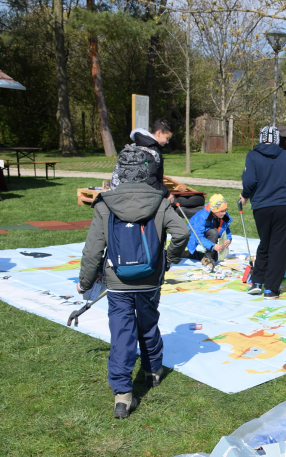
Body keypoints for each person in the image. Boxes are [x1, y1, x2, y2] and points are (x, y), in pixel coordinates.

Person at [77, 147, 189, 419]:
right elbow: (182, 232)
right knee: (148, 322)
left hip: (117, 282)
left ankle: (122, 395)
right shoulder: (160, 201)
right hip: (150, 279)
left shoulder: (105, 203)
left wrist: (84, 282)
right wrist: (168, 260)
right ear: (145, 171)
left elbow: (93, 250)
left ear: (119, 172)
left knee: (121, 333)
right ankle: (152, 372)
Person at [240, 126, 286, 299]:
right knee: (278, 247)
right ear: (276, 140)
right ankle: (271, 289)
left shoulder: (252, 155)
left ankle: (257, 281)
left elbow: (250, 181)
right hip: (284, 206)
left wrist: (245, 195)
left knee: (265, 242)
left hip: (261, 206)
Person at [129, 119, 174, 200]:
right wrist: (167, 194)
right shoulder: (150, 151)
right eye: (167, 138)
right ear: (159, 133)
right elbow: (150, 180)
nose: (167, 141)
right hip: (142, 198)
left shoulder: (138, 146)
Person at [187, 193, 232, 267]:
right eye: (221, 211)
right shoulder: (202, 217)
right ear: (214, 210)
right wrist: (213, 246)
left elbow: (226, 227)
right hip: (193, 235)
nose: (224, 213)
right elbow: (198, 237)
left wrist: (229, 239)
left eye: (225, 210)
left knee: (215, 258)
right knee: (214, 232)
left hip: (208, 233)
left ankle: (208, 256)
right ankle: (204, 257)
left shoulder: (224, 215)